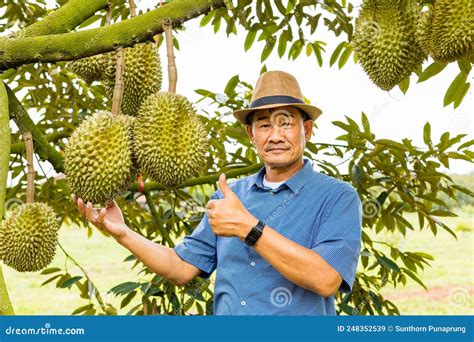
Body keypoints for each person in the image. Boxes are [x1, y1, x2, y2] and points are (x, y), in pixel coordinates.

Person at [73, 70, 362, 315]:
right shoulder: (229, 197)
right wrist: (122, 232)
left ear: (307, 130)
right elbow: (181, 267)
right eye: (263, 125)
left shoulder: (337, 197)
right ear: (252, 135)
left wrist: (248, 228)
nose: (275, 136)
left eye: (286, 124)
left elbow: (326, 279)